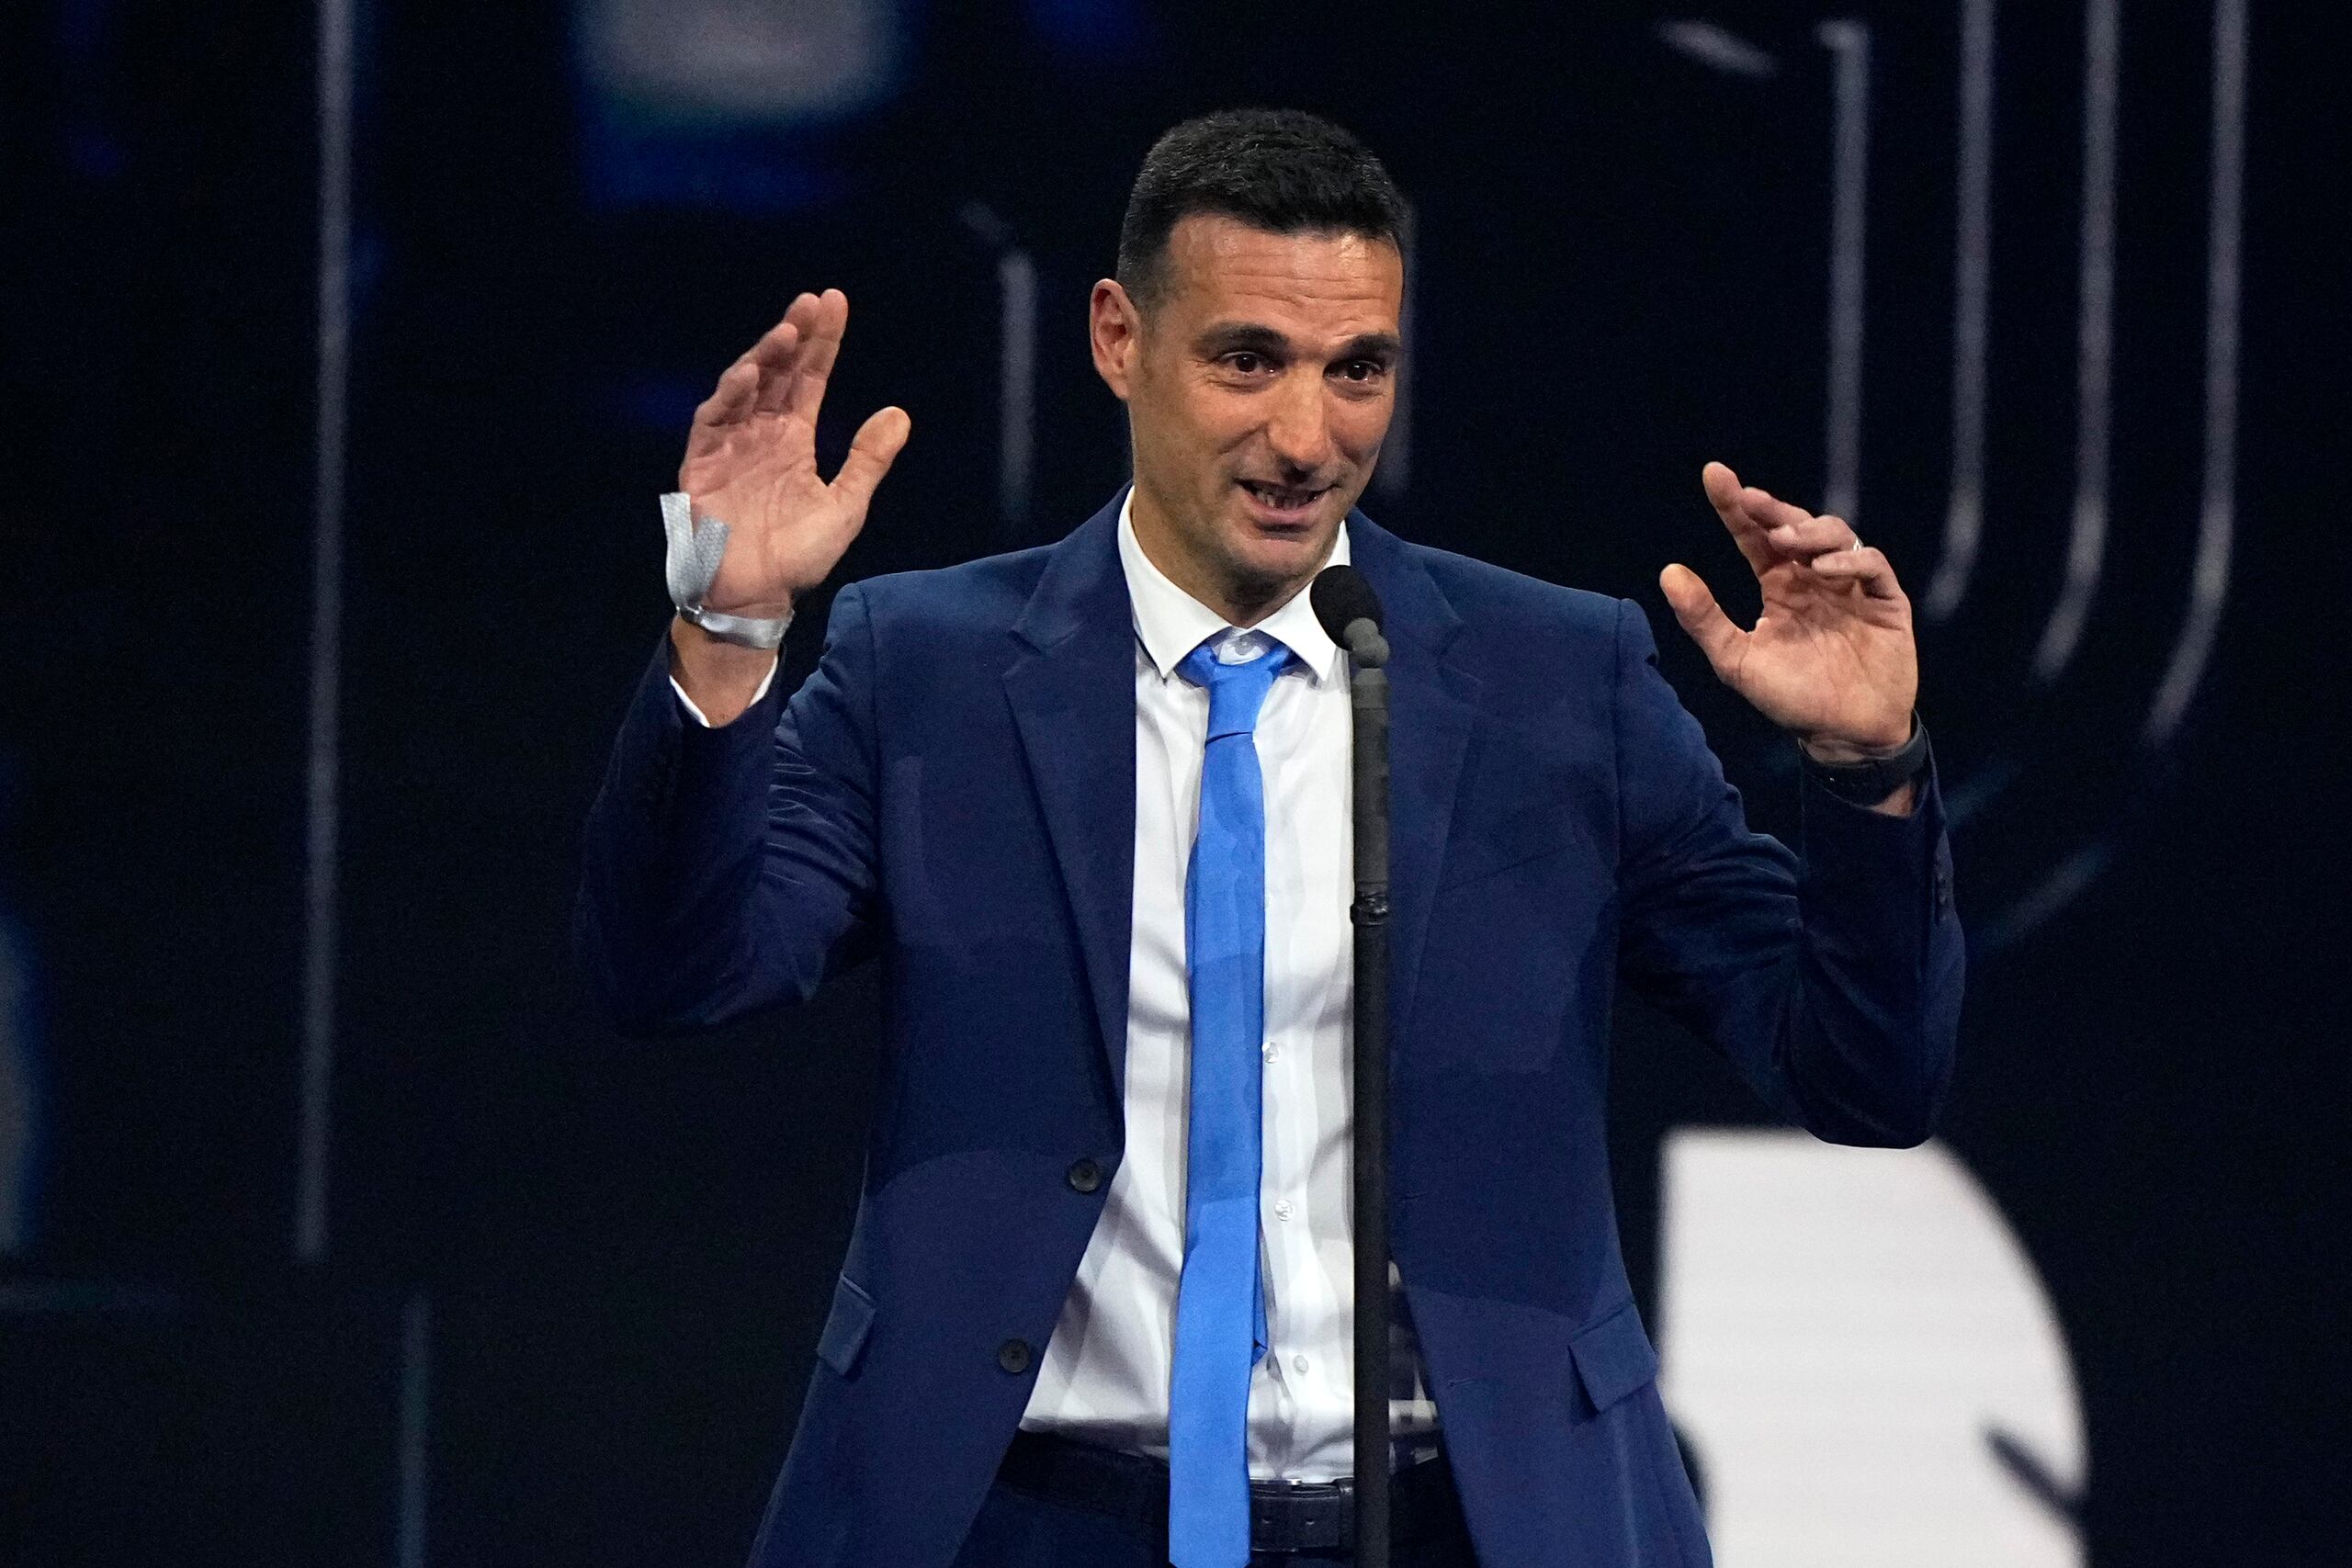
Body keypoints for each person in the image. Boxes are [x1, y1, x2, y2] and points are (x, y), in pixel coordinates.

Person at [579, 109, 1962, 1568]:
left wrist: (1870, 770)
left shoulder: (1559, 679)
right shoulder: (924, 667)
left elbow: (1864, 1073)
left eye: (1355, 369)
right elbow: (673, 972)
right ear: (1119, 338)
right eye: (1247, 360)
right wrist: (727, 624)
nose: (1308, 438)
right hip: (1024, 1522)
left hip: (1467, 1525)